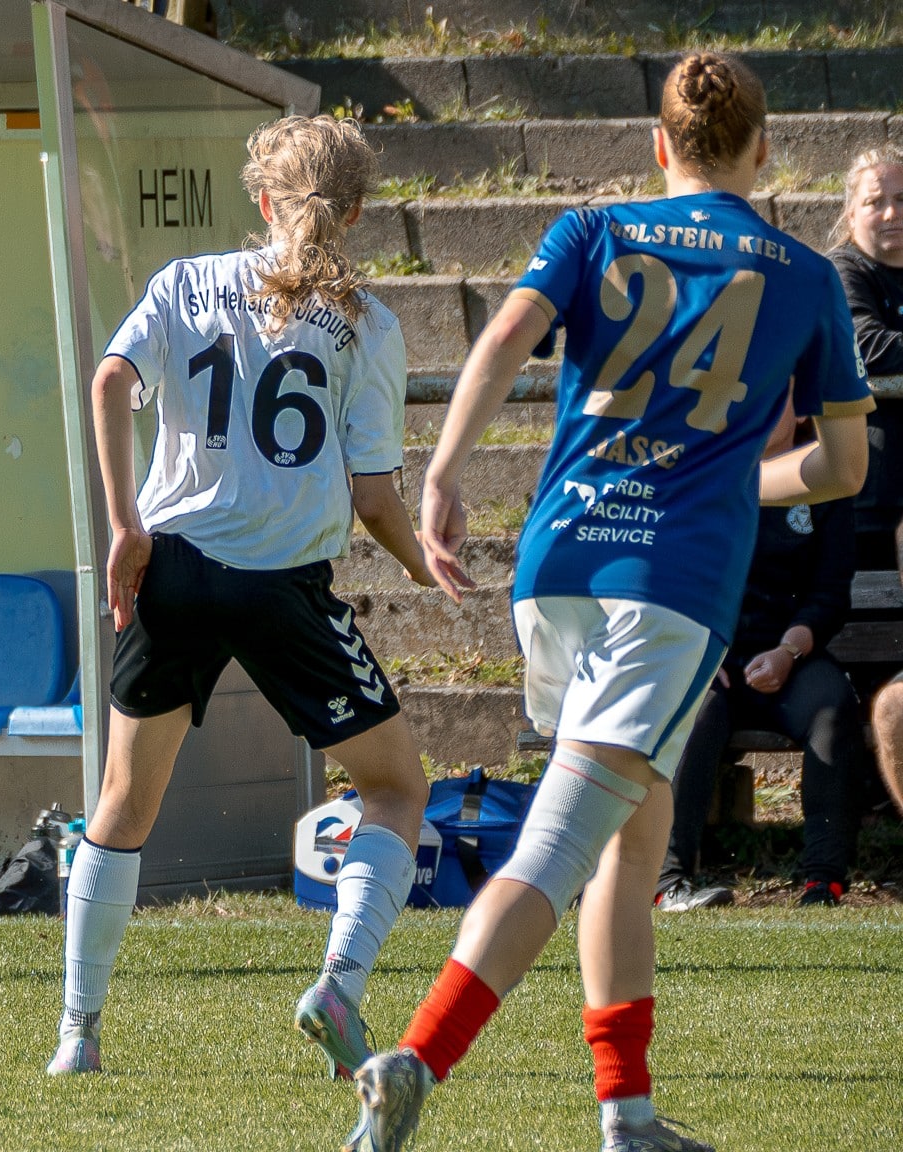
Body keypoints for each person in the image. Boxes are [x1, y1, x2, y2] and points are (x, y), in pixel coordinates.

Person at [346, 53, 871, 1152]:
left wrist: (440, 475)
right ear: (762, 149)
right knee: (560, 848)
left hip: (557, 568)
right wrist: (747, 476)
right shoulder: (800, 271)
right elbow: (840, 469)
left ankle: (625, 1114)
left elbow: (498, 340)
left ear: (656, 148)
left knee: (639, 837)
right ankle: (415, 1058)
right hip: (664, 593)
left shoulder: (592, 229)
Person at [50, 115, 432, 1081]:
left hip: (172, 569)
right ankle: (340, 983)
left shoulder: (184, 284)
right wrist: (429, 566)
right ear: (353, 212)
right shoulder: (371, 326)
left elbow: (106, 381)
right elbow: (375, 498)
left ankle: (78, 1036)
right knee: (393, 789)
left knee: (122, 806)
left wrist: (125, 522)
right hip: (282, 592)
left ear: (263, 201)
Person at [660, 404, 865, 910]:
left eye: (782, 393)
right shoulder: (705, 473)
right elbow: (677, 577)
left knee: (832, 707)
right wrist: (706, 653)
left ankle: (822, 881)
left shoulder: (826, 477)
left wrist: (788, 650)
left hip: (789, 655)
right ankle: (668, 883)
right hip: (713, 655)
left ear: (802, 413)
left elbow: (831, 593)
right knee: (694, 711)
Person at [830, 147, 903, 821]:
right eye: (876, 200)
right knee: (868, 656)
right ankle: (870, 797)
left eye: (901, 201)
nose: (891, 214)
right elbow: (869, 346)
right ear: (851, 210)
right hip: (871, 506)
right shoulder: (842, 275)